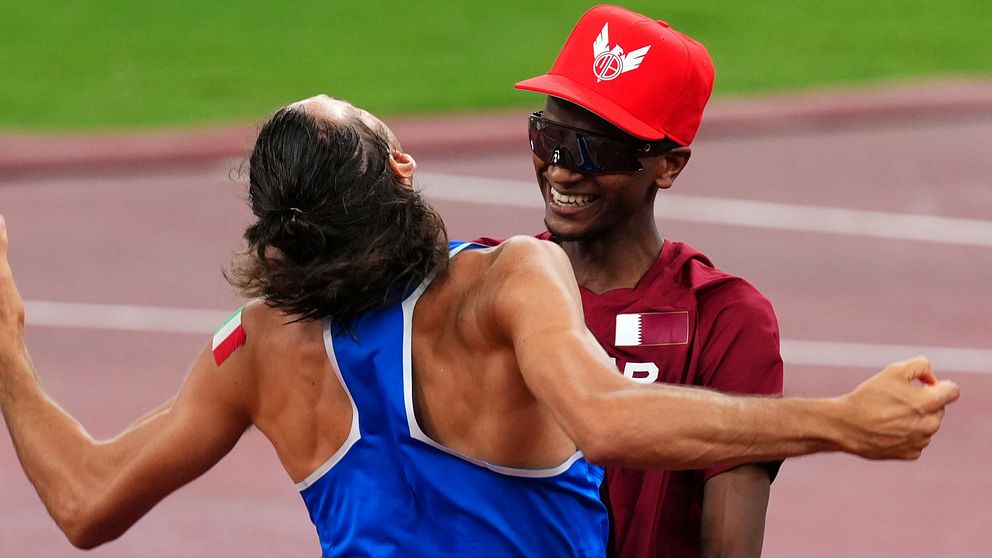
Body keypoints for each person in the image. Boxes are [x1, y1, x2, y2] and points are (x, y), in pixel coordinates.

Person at [0, 95, 958, 557]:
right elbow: (611, 422)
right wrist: (844, 421)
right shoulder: (509, 283)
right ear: (404, 169)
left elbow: (87, 504)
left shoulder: (256, 348)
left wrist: (8, 350)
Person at [499, 5, 872, 557]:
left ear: (669, 165)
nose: (560, 169)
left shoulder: (723, 317)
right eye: (548, 134)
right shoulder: (489, 283)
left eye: (596, 150)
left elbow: (729, 546)